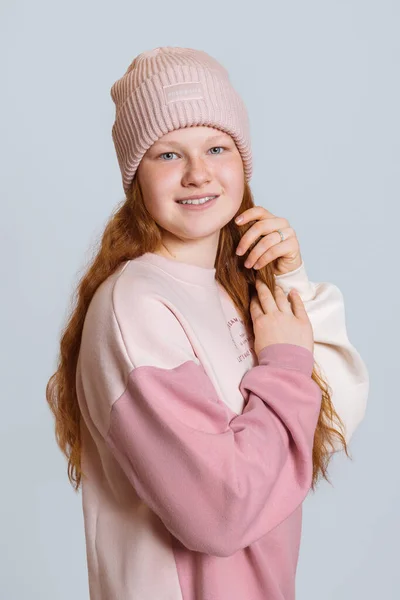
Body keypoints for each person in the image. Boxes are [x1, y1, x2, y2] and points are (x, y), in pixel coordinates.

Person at [46, 46, 369, 600]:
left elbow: (325, 425)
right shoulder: (138, 305)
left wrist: (290, 284)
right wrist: (286, 364)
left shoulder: (226, 289)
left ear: (242, 163)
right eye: (168, 155)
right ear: (135, 178)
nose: (198, 173)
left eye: (216, 147)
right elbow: (219, 512)